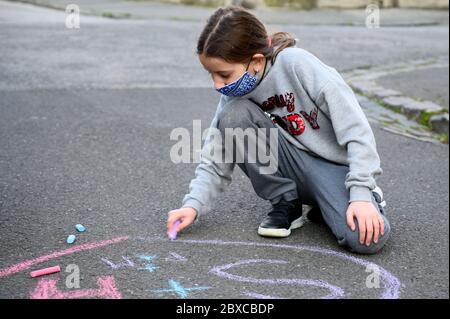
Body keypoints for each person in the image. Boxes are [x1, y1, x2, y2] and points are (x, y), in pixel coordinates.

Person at [167, 5, 391, 254]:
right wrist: (193, 205)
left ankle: (361, 197)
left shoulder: (298, 65)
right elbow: (215, 156)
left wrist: (360, 193)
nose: (217, 85)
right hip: (293, 166)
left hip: (332, 168)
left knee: (365, 240)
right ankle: (287, 201)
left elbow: (357, 132)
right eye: (212, 76)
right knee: (233, 116)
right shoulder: (234, 95)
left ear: (256, 61)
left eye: (223, 74)